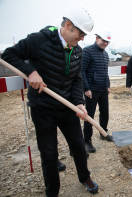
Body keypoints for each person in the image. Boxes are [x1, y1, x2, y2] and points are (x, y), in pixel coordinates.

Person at [2, 8, 99, 196]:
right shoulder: (39, 40)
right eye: (80, 34)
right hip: (43, 108)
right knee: (49, 154)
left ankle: (84, 176)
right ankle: (52, 191)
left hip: (67, 107)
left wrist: (79, 103)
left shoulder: (77, 51)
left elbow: (77, 79)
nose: (82, 39)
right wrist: (30, 71)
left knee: (78, 146)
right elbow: (9, 55)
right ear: (68, 26)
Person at [81, 29, 113, 153]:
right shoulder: (87, 51)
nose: (105, 43)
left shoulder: (105, 54)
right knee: (89, 116)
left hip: (103, 89)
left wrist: (108, 85)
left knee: (105, 112)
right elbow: (82, 71)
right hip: (91, 91)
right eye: (103, 40)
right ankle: (87, 140)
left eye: (107, 42)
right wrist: (86, 88)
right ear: (97, 38)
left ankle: (103, 132)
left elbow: (105, 72)